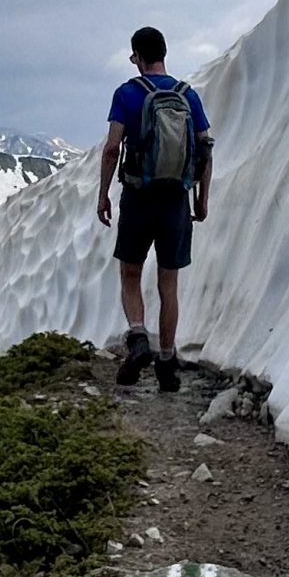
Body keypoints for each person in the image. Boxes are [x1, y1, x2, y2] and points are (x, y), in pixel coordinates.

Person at [96, 25, 214, 392]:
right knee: (169, 282)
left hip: (138, 197)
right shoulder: (187, 95)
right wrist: (202, 199)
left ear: (137, 57)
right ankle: (166, 362)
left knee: (130, 274)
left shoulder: (128, 94)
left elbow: (113, 147)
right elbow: (205, 149)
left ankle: (137, 338)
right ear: (164, 54)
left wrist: (103, 195)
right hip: (176, 201)